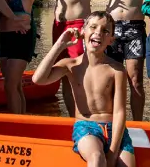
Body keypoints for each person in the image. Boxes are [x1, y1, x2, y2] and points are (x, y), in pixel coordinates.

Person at [32, 11, 134, 167]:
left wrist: (113, 153)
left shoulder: (117, 69)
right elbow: (38, 79)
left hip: (114, 128)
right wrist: (59, 45)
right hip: (87, 127)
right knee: (97, 158)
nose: (98, 32)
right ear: (83, 32)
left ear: (111, 40)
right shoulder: (70, 65)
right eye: (93, 27)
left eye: (105, 31)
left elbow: (120, 112)